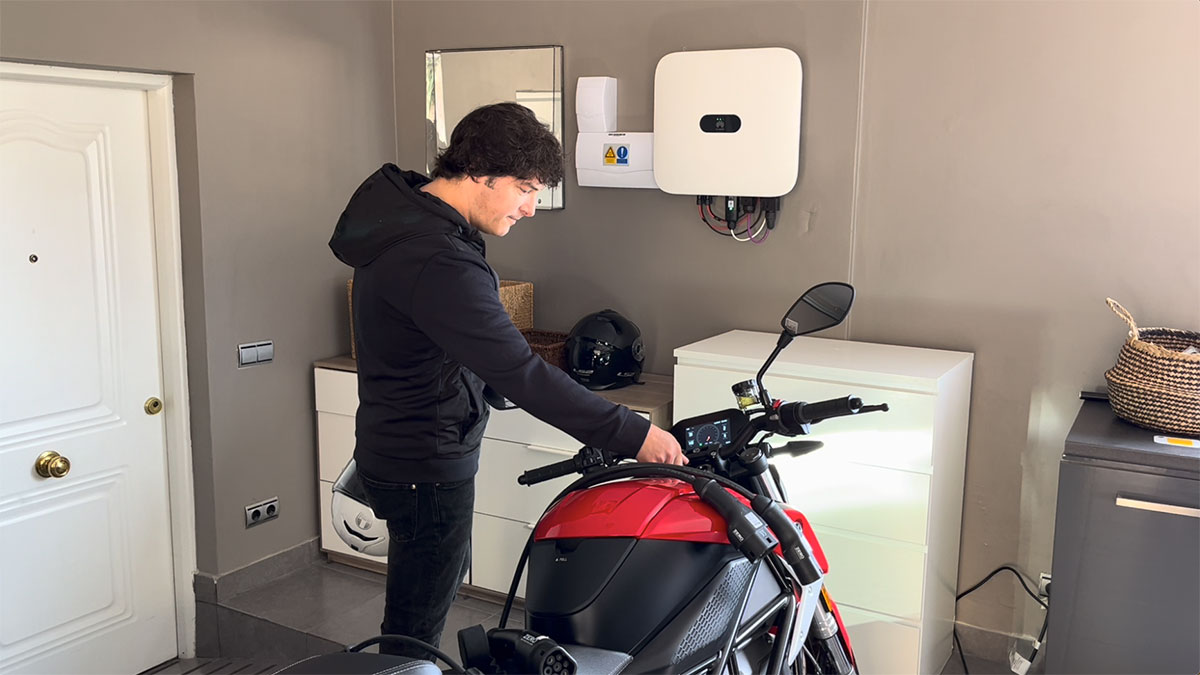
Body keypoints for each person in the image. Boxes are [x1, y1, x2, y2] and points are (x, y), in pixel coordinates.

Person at [328, 102, 686, 659]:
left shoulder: (405, 224)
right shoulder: (439, 258)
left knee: (409, 612)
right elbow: (523, 373)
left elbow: (438, 342)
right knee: (413, 632)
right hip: (427, 465)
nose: (531, 207)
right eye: (525, 188)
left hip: (393, 444)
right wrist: (634, 434)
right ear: (480, 173)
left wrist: (481, 380)